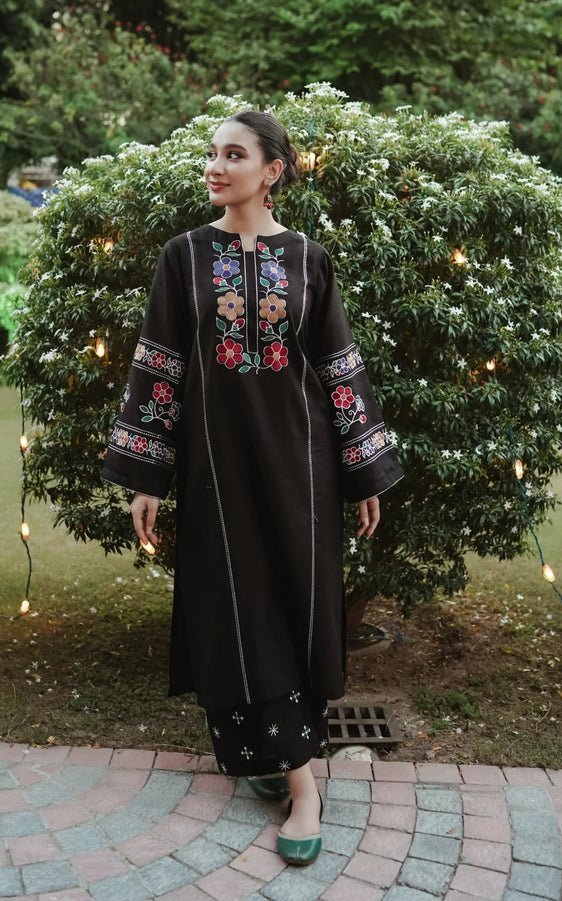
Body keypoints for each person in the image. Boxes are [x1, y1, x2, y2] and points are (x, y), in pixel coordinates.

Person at [101, 110, 405, 865]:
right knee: (235, 608)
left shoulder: (308, 260)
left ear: (272, 170)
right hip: (217, 471)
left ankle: (301, 783)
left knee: (294, 607)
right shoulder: (183, 257)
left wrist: (363, 465)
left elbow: (337, 365)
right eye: (212, 153)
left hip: (302, 471)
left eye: (233, 154)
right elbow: (160, 364)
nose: (215, 166)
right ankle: (282, 761)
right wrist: (147, 474)